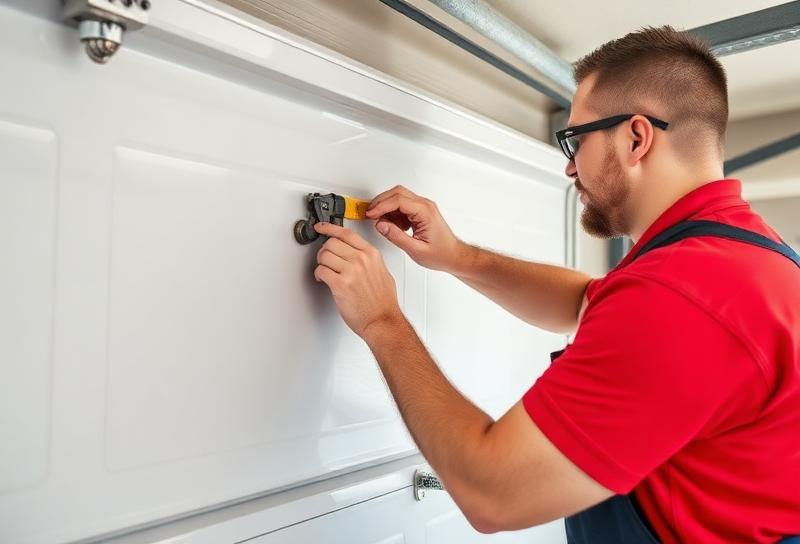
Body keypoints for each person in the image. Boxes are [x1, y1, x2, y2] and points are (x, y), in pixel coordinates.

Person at [311, 25, 800, 543]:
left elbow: (492, 493)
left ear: (637, 137)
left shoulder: (680, 296)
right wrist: (459, 257)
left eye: (577, 140)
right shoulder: (749, 259)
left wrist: (383, 321)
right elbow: (588, 299)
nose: (570, 167)